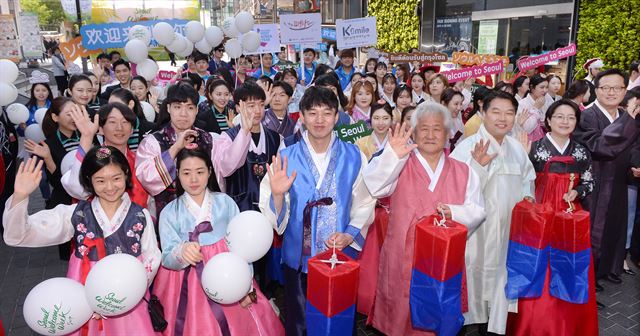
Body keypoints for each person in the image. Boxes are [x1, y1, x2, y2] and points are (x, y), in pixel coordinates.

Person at [258, 86, 376, 336]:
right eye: (312, 113)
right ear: (301, 116)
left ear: (337, 117)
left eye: (326, 113)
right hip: (299, 257)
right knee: (301, 320)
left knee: (339, 316)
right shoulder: (286, 155)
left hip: (339, 254)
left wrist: (350, 234)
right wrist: (278, 194)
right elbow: (271, 205)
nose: (319, 120)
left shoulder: (354, 155)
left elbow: (365, 201)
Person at [3, 150, 161, 335]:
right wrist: (20, 196)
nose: (110, 186)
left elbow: (152, 258)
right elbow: (19, 235)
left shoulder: (140, 216)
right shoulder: (75, 214)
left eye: (116, 178)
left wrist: (120, 295)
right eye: (100, 180)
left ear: (126, 174)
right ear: (89, 180)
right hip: (83, 300)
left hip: (126, 300)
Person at [364, 102, 485, 335]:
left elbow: (478, 209)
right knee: (401, 315)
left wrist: (454, 212)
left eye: (437, 129)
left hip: (444, 259)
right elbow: (375, 187)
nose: (430, 135)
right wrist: (391, 156)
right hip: (402, 256)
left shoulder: (464, 170)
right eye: (424, 128)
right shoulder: (399, 162)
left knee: (438, 314)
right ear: (414, 132)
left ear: (448, 132)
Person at [151, 147, 284, 335]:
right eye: (186, 173)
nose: (194, 179)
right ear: (177, 174)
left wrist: (246, 286)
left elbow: (242, 248)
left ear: (210, 172)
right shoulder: (170, 212)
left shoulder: (225, 202)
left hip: (229, 275)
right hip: (187, 282)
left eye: (200, 172)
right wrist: (181, 252)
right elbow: (167, 256)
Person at [507, 99, 599, 335]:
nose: (565, 121)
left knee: (571, 265)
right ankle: (532, 325)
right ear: (548, 120)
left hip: (570, 213)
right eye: (559, 116)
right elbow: (518, 179)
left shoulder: (581, 151)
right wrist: (523, 157)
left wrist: (577, 191)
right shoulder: (533, 147)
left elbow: (589, 181)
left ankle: (570, 324)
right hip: (539, 214)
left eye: (570, 117)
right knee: (537, 265)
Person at [450, 91, 536, 334]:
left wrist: (528, 196)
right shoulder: (466, 147)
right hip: (476, 233)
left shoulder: (517, 149)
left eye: (509, 113)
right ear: (482, 113)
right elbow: (456, 191)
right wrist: (478, 167)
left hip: (508, 231)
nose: (503, 118)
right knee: (472, 281)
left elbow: (528, 180)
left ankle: (494, 327)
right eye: (496, 112)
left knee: (501, 282)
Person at [135, 82, 253, 215]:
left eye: (190, 108)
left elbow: (228, 164)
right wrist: (175, 148)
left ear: (197, 110)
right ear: (168, 108)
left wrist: (244, 132)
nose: (183, 113)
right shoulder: (153, 142)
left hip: (208, 213)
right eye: (177, 107)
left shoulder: (209, 139)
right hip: (171, 217)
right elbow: (146, 179)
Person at [572, 69, 639, 286]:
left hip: (619, 180)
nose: (612, 92)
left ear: (624, 90)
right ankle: (589, 280)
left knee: (615, 227)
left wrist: (635, 165)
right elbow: (601, 147)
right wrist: (628, 118)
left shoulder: (624, 116)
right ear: (596, 90)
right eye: (606, 87)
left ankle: (608, 268)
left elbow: (633, 148)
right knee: (593, 231)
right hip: (595, 182)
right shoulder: (586, 116)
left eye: (618, 87)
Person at [62, 103, 150, 209]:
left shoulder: (140, 161)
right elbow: (77, 189)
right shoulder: (93, 160)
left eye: (125, 122)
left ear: (132, 129)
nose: (119, 127)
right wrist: (87, 137)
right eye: (112, 122)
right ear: (101, 129)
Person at [517, 74, 551, 142]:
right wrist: (536, 108)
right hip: (526, 142)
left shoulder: (547, 101)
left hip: (543, 142)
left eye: (547, 87)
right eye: (542, 87)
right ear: (532, 88)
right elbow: (526, 129)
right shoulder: (522, 104)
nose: (545, 90)